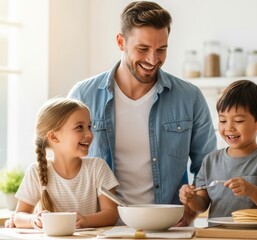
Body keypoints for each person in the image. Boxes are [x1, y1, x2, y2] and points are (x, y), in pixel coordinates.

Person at [67, 1, 216, 226]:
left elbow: (207, 168)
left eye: (161, 50)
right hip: (99, 228)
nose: (152, 60)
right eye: (142, 49)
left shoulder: (190, 97)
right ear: (121, 42)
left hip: (168, 229)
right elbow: (63, 163)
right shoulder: (83, 95)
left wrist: (190, 213)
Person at [5, 98, 119, 229]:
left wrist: (86, 220)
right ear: (54, 137)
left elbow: (111, 214)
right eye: (79, 127)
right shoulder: (35, 172)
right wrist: (33, 220)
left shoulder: (98, 167)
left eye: (89, 126)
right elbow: (19, 216)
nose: (89, 134)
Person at [179, 80, 257, 218]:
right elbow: (202, 205)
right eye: (223, 120)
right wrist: (191, 199)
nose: (229, 128)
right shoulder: (211, 161)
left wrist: (251, 190)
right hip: (217, 234)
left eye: (238, 121)